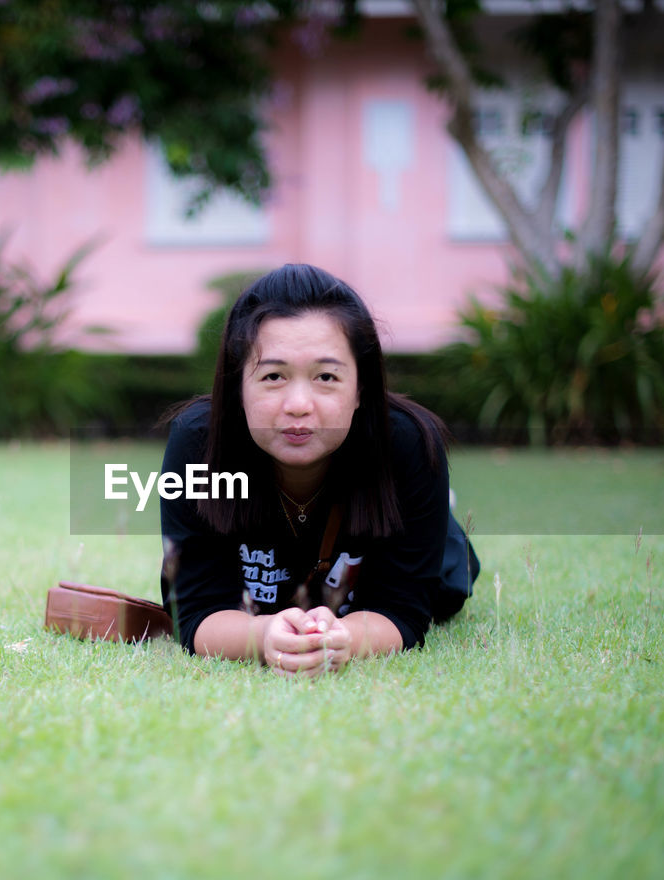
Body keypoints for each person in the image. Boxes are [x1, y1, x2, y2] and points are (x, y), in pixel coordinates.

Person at [159, 264, 478, 676]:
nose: (298, 404)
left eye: (326, 376)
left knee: (449, 584)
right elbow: (196, 612)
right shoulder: (197, 447)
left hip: (399, 539)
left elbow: (404, 612)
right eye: (273, 375)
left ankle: (438, 515)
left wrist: (344, 638)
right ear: (238, 385)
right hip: (273, 590)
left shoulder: (409, 444)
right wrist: (263, 634)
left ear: (361, 387)